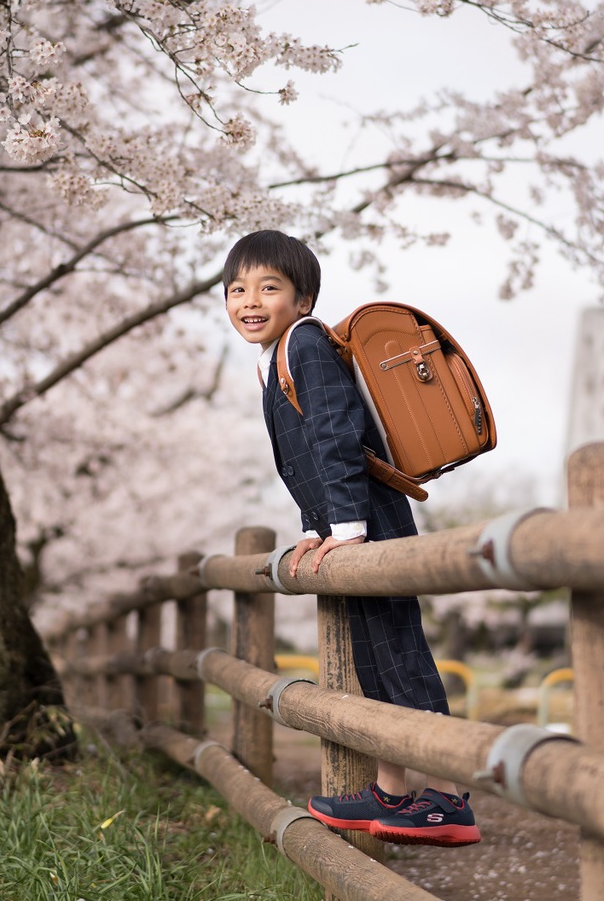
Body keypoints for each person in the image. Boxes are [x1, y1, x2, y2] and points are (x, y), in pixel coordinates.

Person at [223, 229, 480, 847]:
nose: (248, 300)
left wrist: (347, 529)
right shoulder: (277, 355)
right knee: (372, 659)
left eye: (268, 287)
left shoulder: (305, 343)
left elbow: (337, 435)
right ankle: (392, 792)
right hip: (347, 522)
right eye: (236, 289)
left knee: (399, 653)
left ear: (303, 298)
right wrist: (318, 530)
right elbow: (309, 452)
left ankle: (448, 800)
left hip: (371, 520)